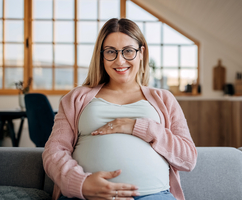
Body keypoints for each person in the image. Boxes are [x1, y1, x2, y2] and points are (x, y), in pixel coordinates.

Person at [42, 18, 197, 200]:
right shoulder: (76, 98)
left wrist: (139, 127)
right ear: (101, 56)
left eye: (128, 51)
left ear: (141, 53)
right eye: (111, 52)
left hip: (154, 195)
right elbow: (54, 151)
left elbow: (188, 158)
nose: (120, 60)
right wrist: (82, 184)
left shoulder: (164, 99)